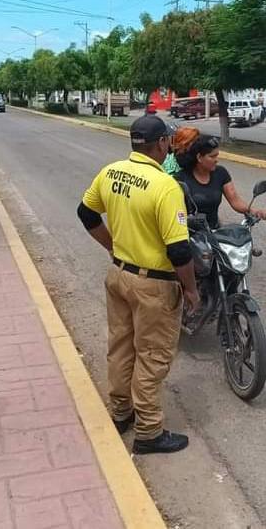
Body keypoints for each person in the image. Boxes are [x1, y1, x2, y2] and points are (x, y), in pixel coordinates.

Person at [77, 115, 200, 454]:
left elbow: (86, 213)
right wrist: (190, 289)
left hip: (118, 276)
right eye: (168, 142)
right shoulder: (165, 187)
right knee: (152, 356)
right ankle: (148, 431)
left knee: (120, 347)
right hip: (154, 286)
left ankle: (121, 413)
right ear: (161, 144)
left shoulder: (111, 171)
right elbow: (179, 249)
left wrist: (113, 246)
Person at [174, 134, 266, 229]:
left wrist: (254, 211)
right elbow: (175, 213)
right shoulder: (181, 179)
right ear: (199, 157)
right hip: (189, 235)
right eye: (212, 156)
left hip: (214, 232)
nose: (217, 160)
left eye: (217, 156)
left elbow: (235, 201)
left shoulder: (220, 173)